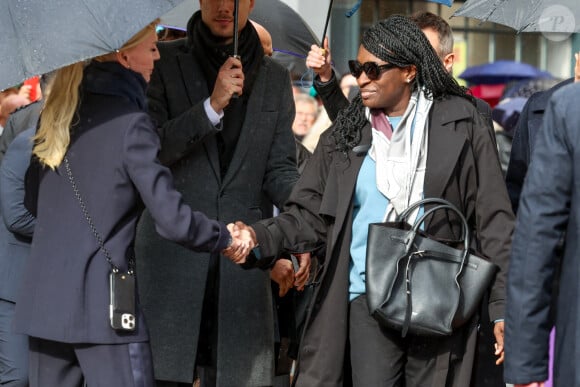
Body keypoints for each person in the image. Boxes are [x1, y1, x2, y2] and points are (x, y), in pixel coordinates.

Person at [238, 15, 514, 387]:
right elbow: (306, 214)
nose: (362, 78)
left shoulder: (462, 122)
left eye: (373, 69)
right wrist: (258, 237)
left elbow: (494, 221)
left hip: (440, 297)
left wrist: (502, 309)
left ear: (409, 71)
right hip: (366, 298)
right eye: (357, 68)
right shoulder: (347, 134)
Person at [12, 21, 250, 387]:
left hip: (45, 306)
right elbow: (172, 220)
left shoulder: (58, 115)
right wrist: (225, 236)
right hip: (104, 309)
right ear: (124, 56)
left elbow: (33, 200)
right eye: (150, 45)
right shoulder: (131, 123)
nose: (158, 53)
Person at [135, 1, 302, 386]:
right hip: (170, 256)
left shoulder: (275, 78)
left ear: (251, 3)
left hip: (242, 263)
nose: (224, 6)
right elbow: (149, 152)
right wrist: (210, 107)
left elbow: (280, 169)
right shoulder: (163, 62)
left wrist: (301, 225)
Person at [503, 82, 580, 387]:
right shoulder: (565, 109)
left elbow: (535, 238)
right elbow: (534, 233)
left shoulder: (568, 108)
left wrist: (525, 365)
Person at [0, 128, 35, 387]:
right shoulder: (27, 144)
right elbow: (16, 217)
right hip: (14, 286)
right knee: (18, 376)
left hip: (45, 283)